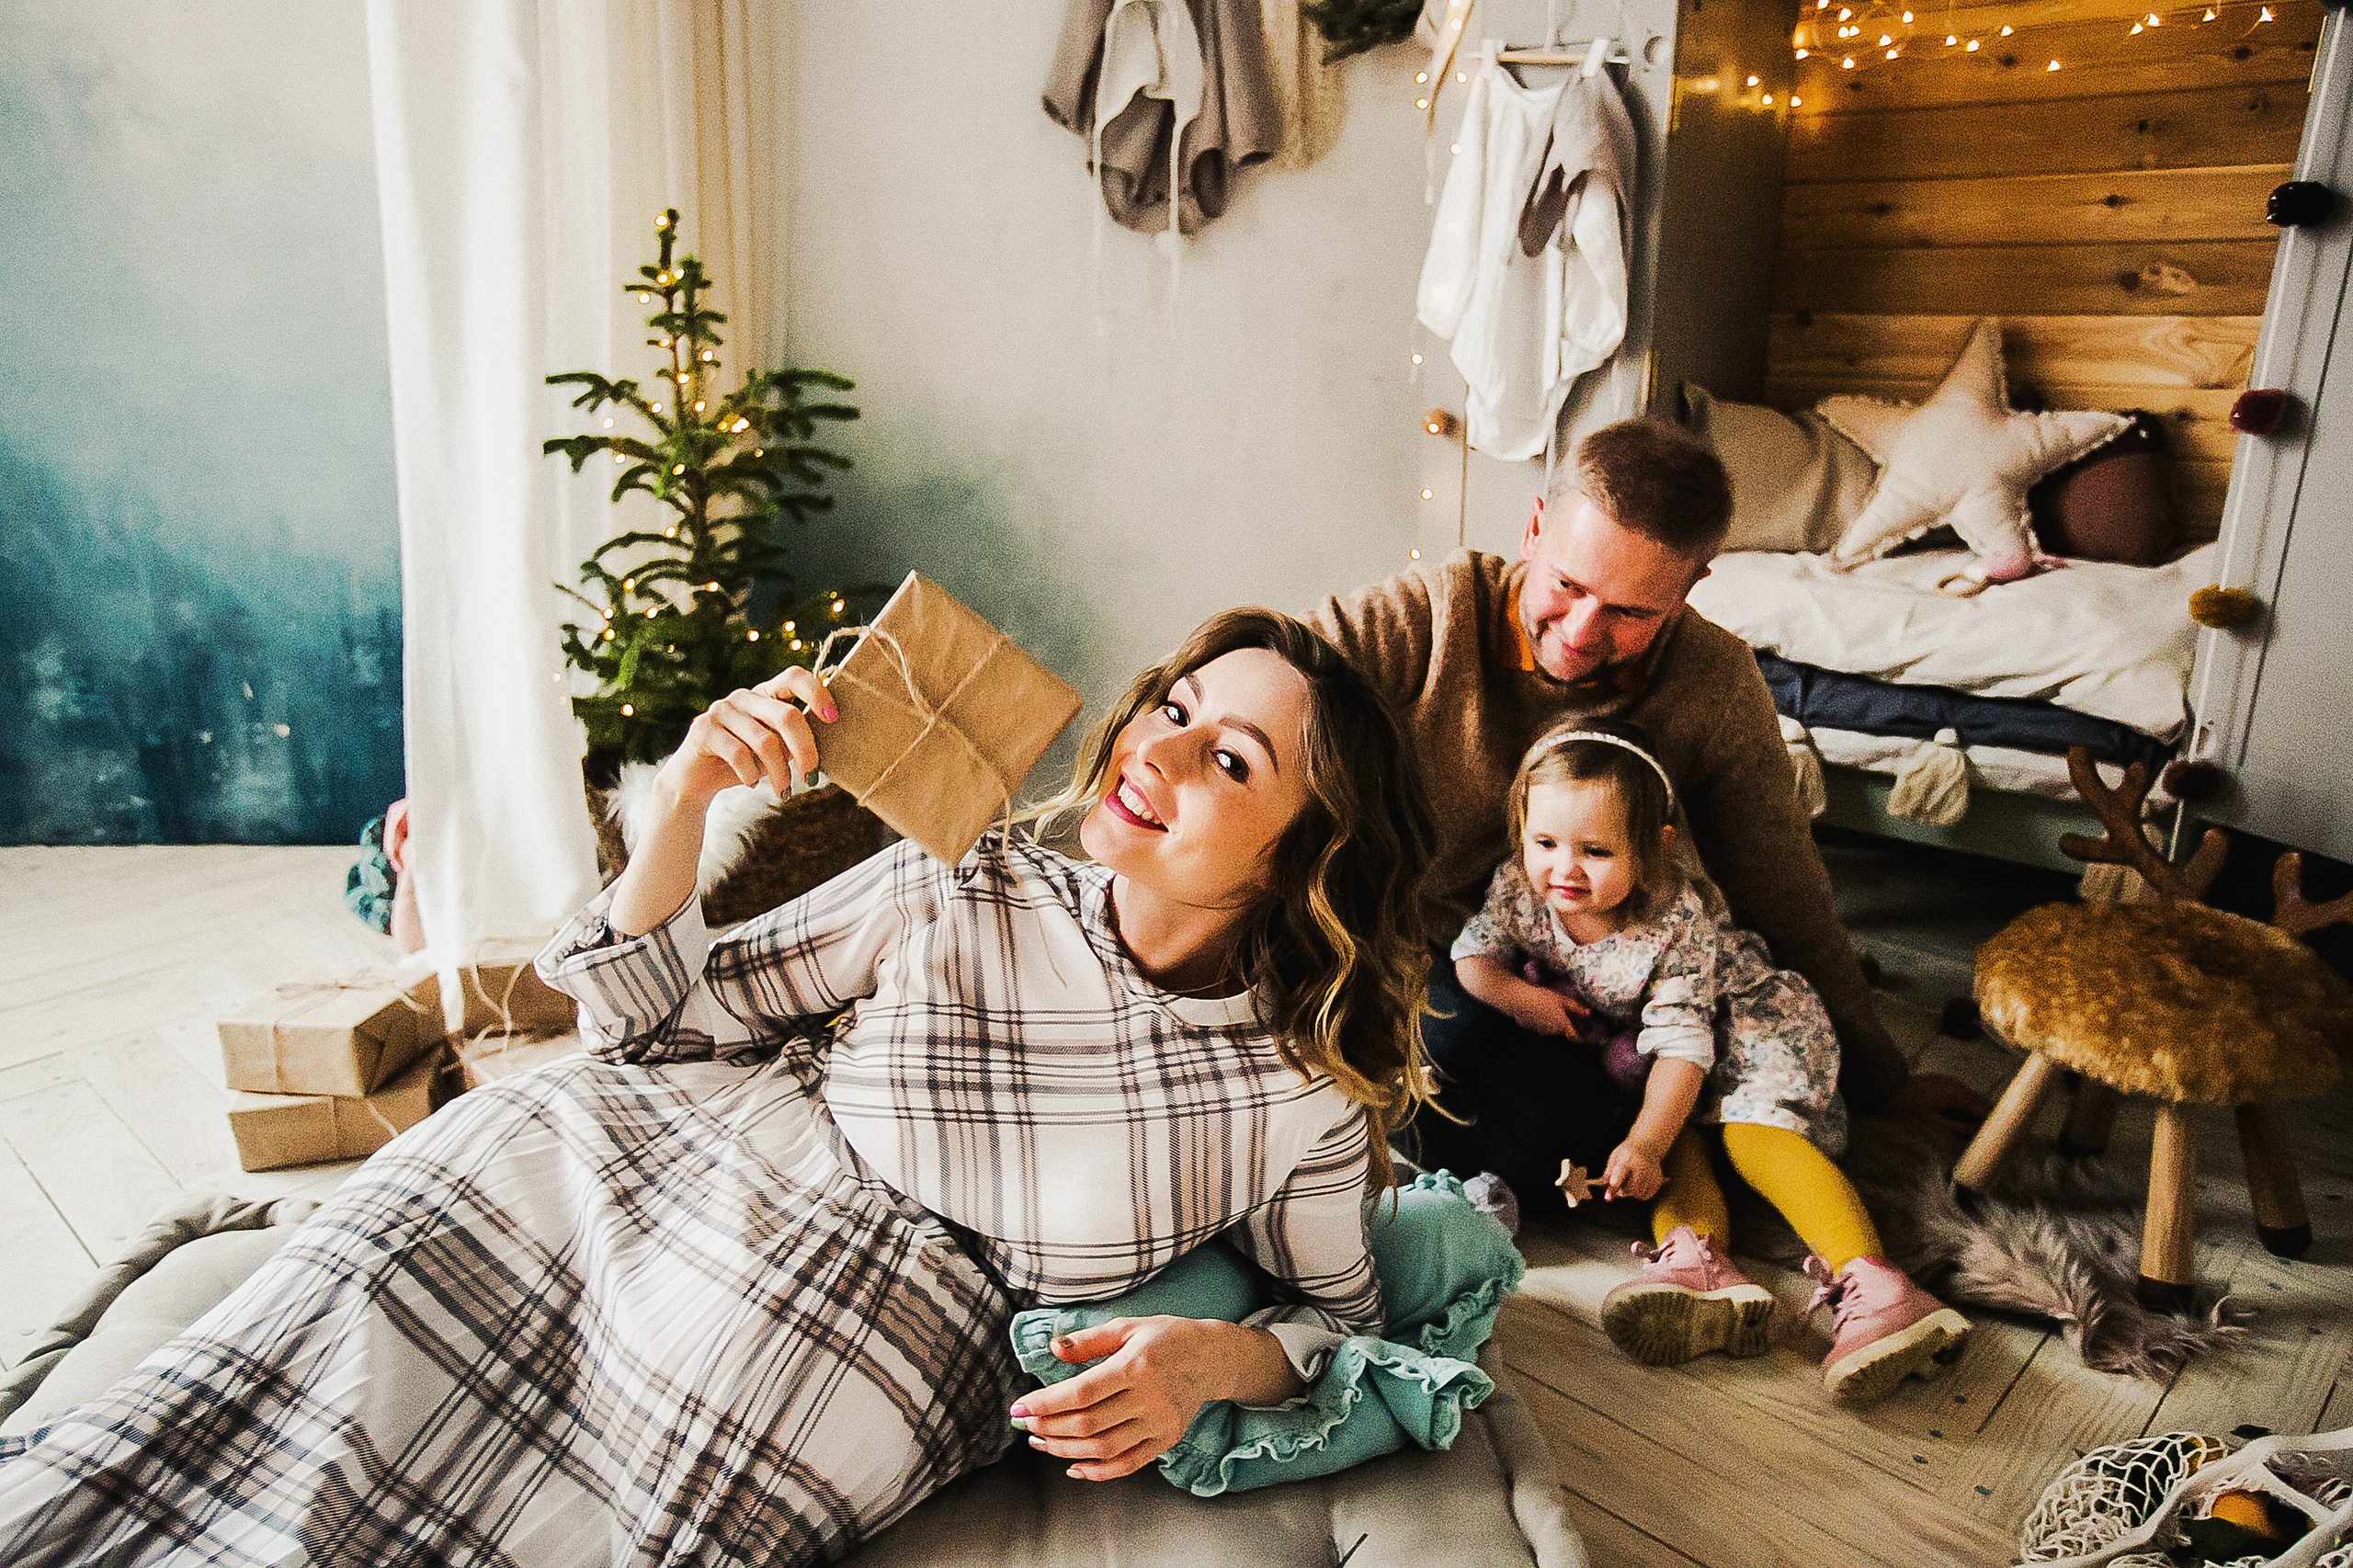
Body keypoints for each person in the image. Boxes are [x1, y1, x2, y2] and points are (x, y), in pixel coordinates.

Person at [0, 608, 1438, 1568]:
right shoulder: (969, 873)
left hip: (862, 1316)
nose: (1157, 752)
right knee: (327, 1317)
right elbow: (655, 1012)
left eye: (1229, 758)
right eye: (1175, 708)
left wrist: (1214, 1360)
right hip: (620, 1157)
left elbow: (1346, 1319)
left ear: (1299, 856)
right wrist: (683, 794)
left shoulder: (1298, 1095)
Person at [1307, 417, 1944, 1131]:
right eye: (1568, 585)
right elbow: (1258, 669)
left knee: (1575, 1122)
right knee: (1441, 1070)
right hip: (1378, 924)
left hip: (1552, 962)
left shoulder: (1715, 681)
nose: (1580, 632)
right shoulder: (1430, 612)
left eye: (1630, 610)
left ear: (1689, 589)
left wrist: (1882, 1077)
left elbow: (1784, 888)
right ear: (1535, 529)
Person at [1444, 721, 1971, 1403]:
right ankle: (1699, 1270)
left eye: (1596, 850)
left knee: (1750, 1138)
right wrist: (1518, 997)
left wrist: (1643, 1137)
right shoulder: (1522, 886)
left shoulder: (1673, 917)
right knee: (1670, 1151)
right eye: (1545, 841)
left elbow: (1689, 1043)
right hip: (1652, 1053)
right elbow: (1471, 952)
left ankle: (1879, 1286)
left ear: (1654, 849)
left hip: (1745, 1028)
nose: (1565, 868)